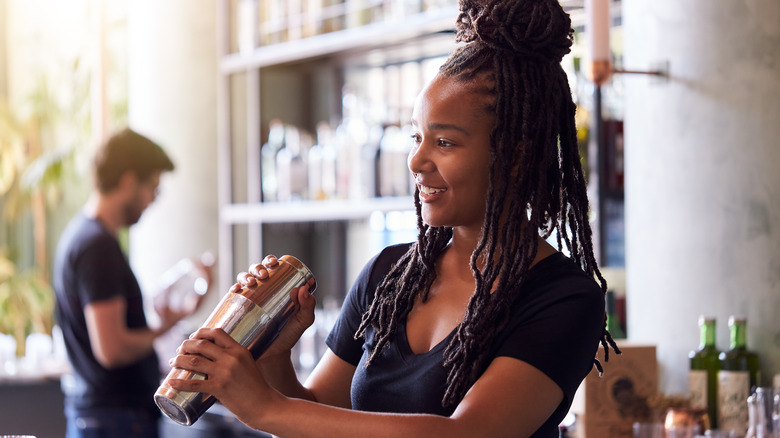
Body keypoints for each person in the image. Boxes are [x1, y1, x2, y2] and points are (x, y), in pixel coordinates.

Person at [168, 0, 620, 436]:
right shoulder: (390, 275)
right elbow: (317, 418)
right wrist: (273, 355)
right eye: (416, 137)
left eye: (444, 142)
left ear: (515, 155)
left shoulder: (563, 298)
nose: (416, 161)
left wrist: (265, 408)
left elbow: (470, 434)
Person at [53, 128, 208, 438]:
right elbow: (112, 349)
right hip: (114, 421)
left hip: (103, 418)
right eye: (153, 188)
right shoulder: (97, 246)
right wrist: (164, 327)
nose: (152, 201)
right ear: (128, 182)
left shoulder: (82, 236)